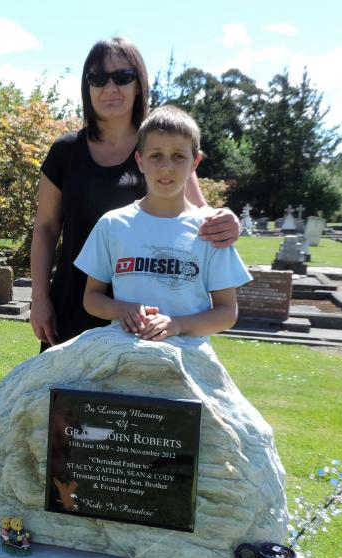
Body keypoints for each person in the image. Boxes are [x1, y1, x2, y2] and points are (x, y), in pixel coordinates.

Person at [30, 37, 241, 350]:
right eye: (98, 78)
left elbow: (203, 219)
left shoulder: (160, 149)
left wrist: (229, 223)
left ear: (139, 84)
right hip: (77, 304)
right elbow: (46, 228)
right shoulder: (65, 151)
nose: (110, 87)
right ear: (86, 87)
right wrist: (40, 298)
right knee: (69, 399)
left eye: (122, 77)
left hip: (151, 319)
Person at [74, 105, 251, 347]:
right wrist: (121, 309)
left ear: (194, 163)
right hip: (123, 354)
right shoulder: (112, 224)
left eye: (178, 156)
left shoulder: (211, 231)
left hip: (187, 358)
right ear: (140, 160)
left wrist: (177, 325)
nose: (166, 166)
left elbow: (227, 312)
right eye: (156, 155)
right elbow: (92, 299)